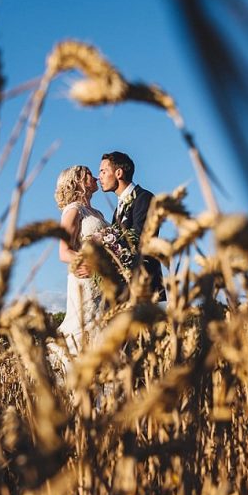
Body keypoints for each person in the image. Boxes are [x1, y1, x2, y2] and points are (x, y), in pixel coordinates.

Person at [54, 165, 108, 355]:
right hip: (85, 279)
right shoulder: (73, 211)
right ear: (77, 182)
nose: (96, 178)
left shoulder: (98, 213)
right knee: (85, 327)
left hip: (103, 280)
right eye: (89, 175)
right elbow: (64, 251)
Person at [98, 151, 164, 300]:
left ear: (119, 173)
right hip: (124, 288)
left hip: (142, 285)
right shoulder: (118, 208)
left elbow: (140, 238)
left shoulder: (144, 198)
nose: (99, 177)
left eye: (103, 171)